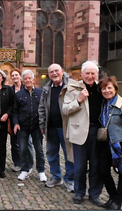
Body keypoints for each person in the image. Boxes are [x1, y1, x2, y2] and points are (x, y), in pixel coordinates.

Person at [62, 60, 103, 207]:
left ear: (97, 74)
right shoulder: (73, 88)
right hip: (79, 132)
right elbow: (65, 109)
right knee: (79, 167)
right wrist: (78, 101)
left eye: (93, 73)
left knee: (95, 165)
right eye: (87, 73)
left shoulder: (101, 89)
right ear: (82, 74)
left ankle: (94, 194)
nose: (90, 76)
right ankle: (79, 193)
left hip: (97, 133)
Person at [38, 64, 74, 192]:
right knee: (52, 154)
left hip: (66, 128)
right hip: (51, 127)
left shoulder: (70, 86)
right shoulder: (47, 88)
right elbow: (41, 107)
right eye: (51, 72)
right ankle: (56, 177)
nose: (54, 73)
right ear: (49, 75)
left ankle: (70, 180)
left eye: (56, 71)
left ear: (62, 72)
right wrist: (42, 124)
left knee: (69, 154)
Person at [13, 69, 47, 182]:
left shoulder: (40, 92)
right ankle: (24, 170)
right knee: (22, 149)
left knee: (39, 149)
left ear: (33, 79)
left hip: (37, 126)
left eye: (29, 78)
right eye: (25, 79)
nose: (27, 80)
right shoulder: (18, 95)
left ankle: (41, 171)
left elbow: (44, 109)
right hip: (23, 126)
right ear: (22, 81)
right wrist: (16, 123)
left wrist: (43, 124)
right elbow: (15, 111)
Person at [97, 76, 122, 210]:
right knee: (103, 170)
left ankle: (117, 201)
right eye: (104, 88)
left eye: (109, 88)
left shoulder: (120, 104)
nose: (106, 91)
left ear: (115, 89)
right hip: (106, 144)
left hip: (119, 144)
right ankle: (112, 196)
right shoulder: (104, 104)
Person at [9, 68, 34, 172]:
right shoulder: (10, 89)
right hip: (13, 118)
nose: (15, 77)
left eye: (16, 75)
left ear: (20, 77)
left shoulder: (26, 87)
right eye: (13, 75)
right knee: (14, 143)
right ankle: (17, 163)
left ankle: (29, 164)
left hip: (25, 120)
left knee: (27, 143)